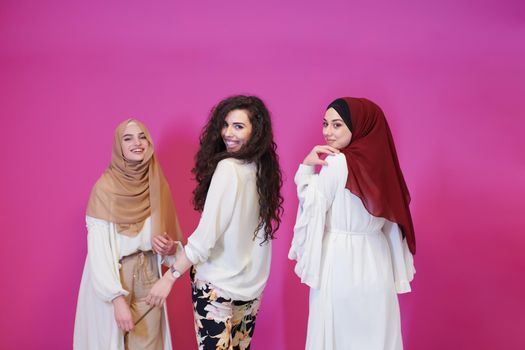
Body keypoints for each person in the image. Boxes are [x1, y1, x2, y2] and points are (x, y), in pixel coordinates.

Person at [146, 95, 283, 350]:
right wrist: (177, 250)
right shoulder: (263, 170)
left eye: (238, 126)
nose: (228, 133)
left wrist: (170, 277)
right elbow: (243, 237)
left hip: (216, 290)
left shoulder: (229, 168)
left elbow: (206, 239)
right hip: (250, 289)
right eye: (226, 124)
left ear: (256, 131)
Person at [289, 97, 416, 350]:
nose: (327, 132)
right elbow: (392, 224)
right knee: (376, 335)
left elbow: (313, 206)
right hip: (377, 264)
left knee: (337, 336)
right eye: (325, 124)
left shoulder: (336, 162)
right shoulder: (384, 166)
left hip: (339, 262)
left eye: (337, 125)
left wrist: (304, 168)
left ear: (356, 126)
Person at [74, 119, 182, 350]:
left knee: (150, 345)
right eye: (128, 138)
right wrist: (116, 299)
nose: (137, 143)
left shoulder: (156, 184)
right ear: (118, 147)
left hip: (150, 275)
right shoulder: (105, 189)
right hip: (115, 279)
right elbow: (98, 253)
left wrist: (169, 248)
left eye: (142, 136)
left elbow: (172, 245)